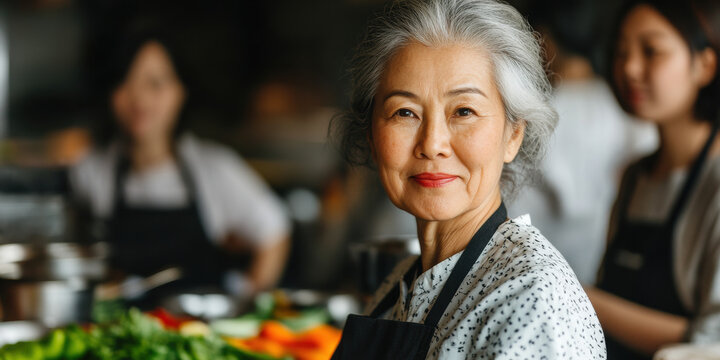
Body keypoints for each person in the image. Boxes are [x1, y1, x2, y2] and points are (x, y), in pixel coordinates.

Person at [330, 0, 606, 358]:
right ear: (371, 136)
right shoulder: (400, 282)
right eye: (405, 112)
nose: (432, 144)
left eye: (464, 111)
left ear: (513, 136)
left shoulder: (532, 297)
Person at [70, 30, 290, 301]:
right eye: (125, 80)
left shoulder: (214, 169)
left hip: (196, 335)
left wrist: (246, 307)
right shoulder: (91, 170)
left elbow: (274, 230)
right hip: (120, 335)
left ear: (180, 91)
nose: (139, 98)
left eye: (155, 83)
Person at [586, 0, 720, 358]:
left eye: (651, 50)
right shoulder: (635, 175)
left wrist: (581, 297)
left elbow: (710, 338)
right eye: (621, 52)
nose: (629, 67)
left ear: (705, 65)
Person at [507, 0, 658, 285]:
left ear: (544, 41)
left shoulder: (529, 115)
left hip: (533, 270)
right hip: (603, 270)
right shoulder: (629, 113)